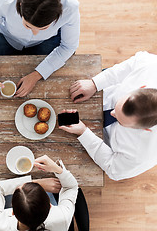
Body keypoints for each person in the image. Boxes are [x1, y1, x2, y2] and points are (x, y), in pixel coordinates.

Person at [60, 51, 157, 181]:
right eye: (118, 105)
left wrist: (84, 133)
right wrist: (95, 83)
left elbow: (113, 168)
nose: (113, 113)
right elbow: (125, 68)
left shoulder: (143, 155)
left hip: (105, 143)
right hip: (103, 93)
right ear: (141, 87)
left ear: (146, 129)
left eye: (121, 121)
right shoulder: (150, 65)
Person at [0, 0, 80, 97]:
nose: (35, 33)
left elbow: (68, 46)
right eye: (27, 26)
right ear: (20, 5)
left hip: (46, 41)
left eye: (44, 28)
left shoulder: (70, 6)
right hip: (6, 37)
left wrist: (37, 75)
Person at [0, 155, 78, 231]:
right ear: (50, 206)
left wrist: (37, 182)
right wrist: (57, 169)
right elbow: (71, 187)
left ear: (13, 212)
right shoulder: (62, 218)